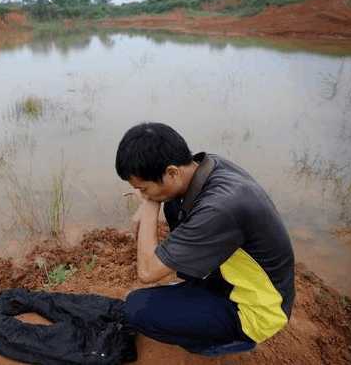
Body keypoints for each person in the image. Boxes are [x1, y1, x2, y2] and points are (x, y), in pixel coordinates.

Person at [115, 122, 295, 356]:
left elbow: (147, 273)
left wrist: (150, 204)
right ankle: (201, 290)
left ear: (171, 172)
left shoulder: (219, 208)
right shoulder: (207, 166)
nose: (141, 194)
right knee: (174, 203)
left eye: (144, 188)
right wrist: (154, 195)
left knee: (136, 308)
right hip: (240, 281)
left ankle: (228, 340)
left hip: (257, 309)